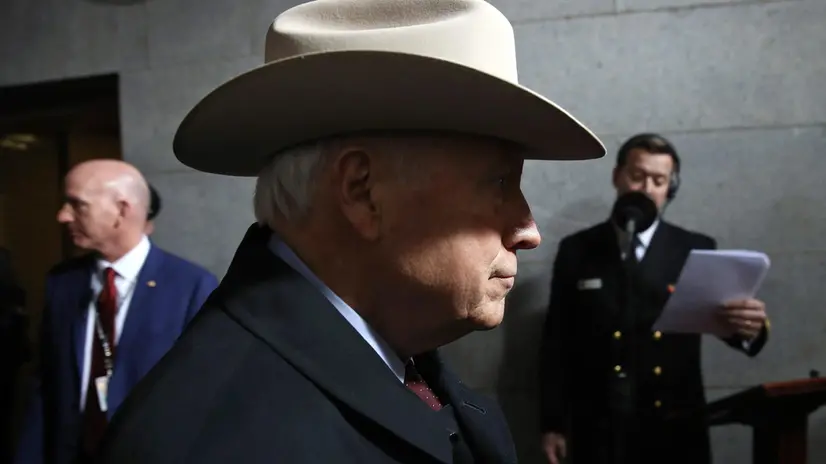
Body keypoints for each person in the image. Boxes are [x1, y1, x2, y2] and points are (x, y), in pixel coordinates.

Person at [95, 0, 606, 463]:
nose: (529, 230)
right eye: (499, 182)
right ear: (362, 192)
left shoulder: (400, 361)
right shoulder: (213, 442)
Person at [538, 133, 770, 464]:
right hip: (599, 427)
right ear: (617, 177)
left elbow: (729, 324)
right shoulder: (578, 249)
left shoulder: (694, 248)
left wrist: (751, 328)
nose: (646, 188)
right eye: (638, 176)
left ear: (669, 189)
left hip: (674, 426)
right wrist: (552, 424)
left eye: (658, 180)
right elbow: (556, 342)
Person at [14, 159, 219, 464]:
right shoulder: (62, 282)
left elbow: (205, 394)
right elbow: (47, 384)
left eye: (76, 205)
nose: (62, 216)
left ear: (122, 211)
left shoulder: (189, 285)